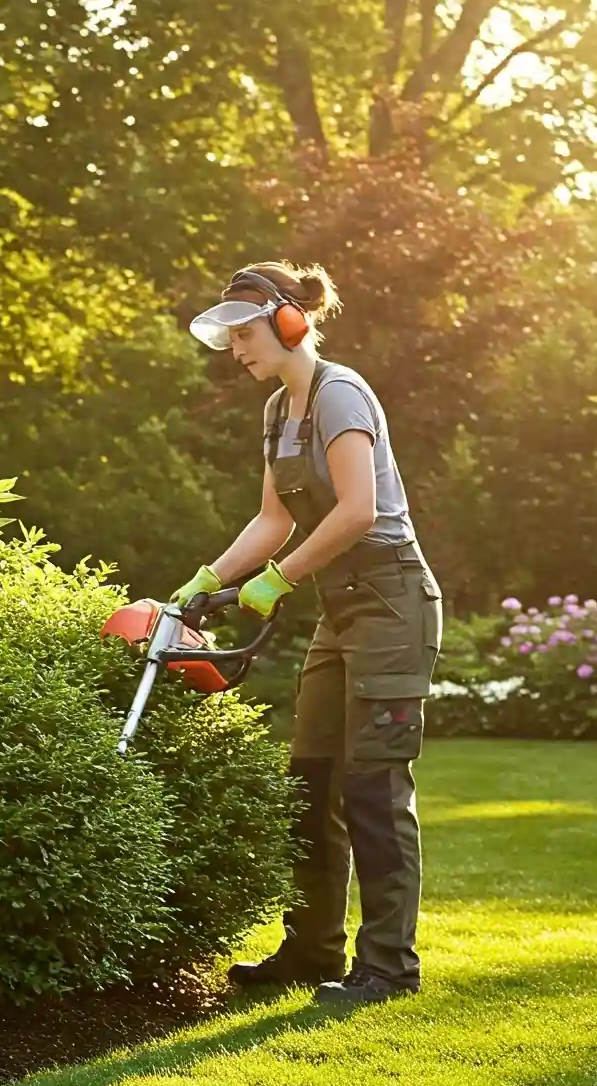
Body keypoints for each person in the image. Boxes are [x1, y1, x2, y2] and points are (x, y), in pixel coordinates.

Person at [175, 262, 443, 1007]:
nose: (235, 347)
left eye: (245, 331)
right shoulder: (277, 413)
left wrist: (277, 581)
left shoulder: (340, 393)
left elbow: (357, 509)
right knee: (311, 783)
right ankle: (311, 949)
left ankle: (389, 967)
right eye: (227, 336)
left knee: (373, 786)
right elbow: (274, 518)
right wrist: (208, 578)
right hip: (340, 608)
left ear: (290, 321)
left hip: (391, 599)